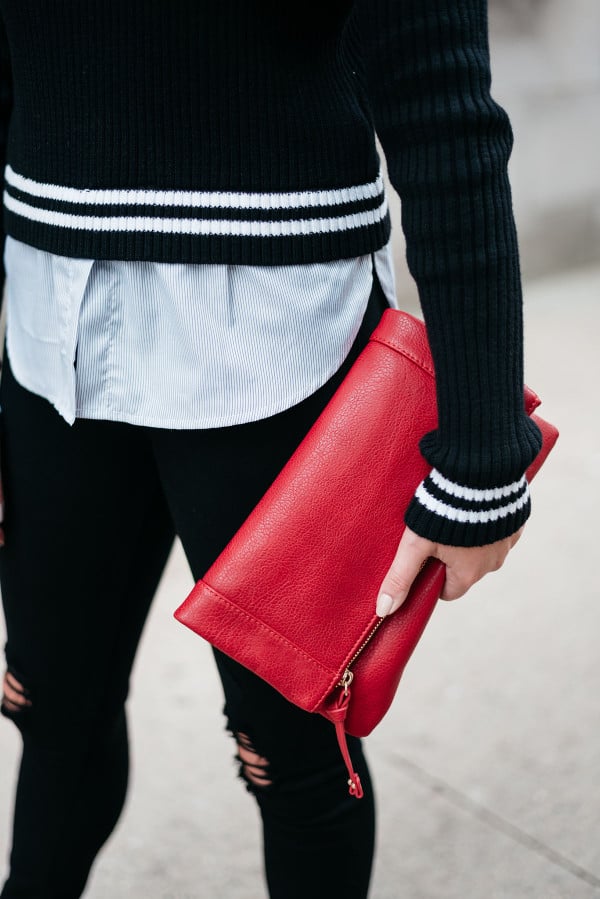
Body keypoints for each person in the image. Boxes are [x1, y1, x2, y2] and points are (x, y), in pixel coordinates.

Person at [0, 2, 542, 897]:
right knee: (49, 707)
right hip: (52, 331)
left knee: (291, 754)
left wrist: (483, 457)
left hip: (284, 341)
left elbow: (444, 109)